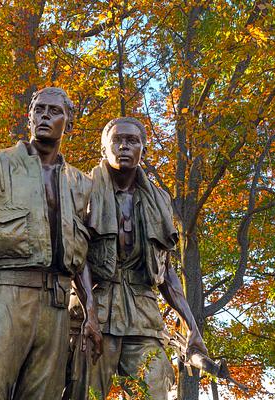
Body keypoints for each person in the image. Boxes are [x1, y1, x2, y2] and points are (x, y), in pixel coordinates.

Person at [0, 87, 102, 400]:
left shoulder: (81, 183)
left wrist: (91, 312)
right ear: (29, 117)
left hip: (56, 307)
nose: (45, 117)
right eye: (39, 110)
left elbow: (80, 255)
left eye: (54, 111)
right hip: (4, 296)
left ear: (70, 122)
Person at [75, 116, 209, 399]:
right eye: (117, 140)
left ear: (142, 150)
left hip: (143, 314)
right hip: (96, 310)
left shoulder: (158, 201)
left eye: (132, 141)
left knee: (155, 386)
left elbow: (166, 272)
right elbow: (77, 258)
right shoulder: (83, 191)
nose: (124, 146)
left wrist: (191, 325)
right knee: (84, 393)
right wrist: (89, 313)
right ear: (104, 149)